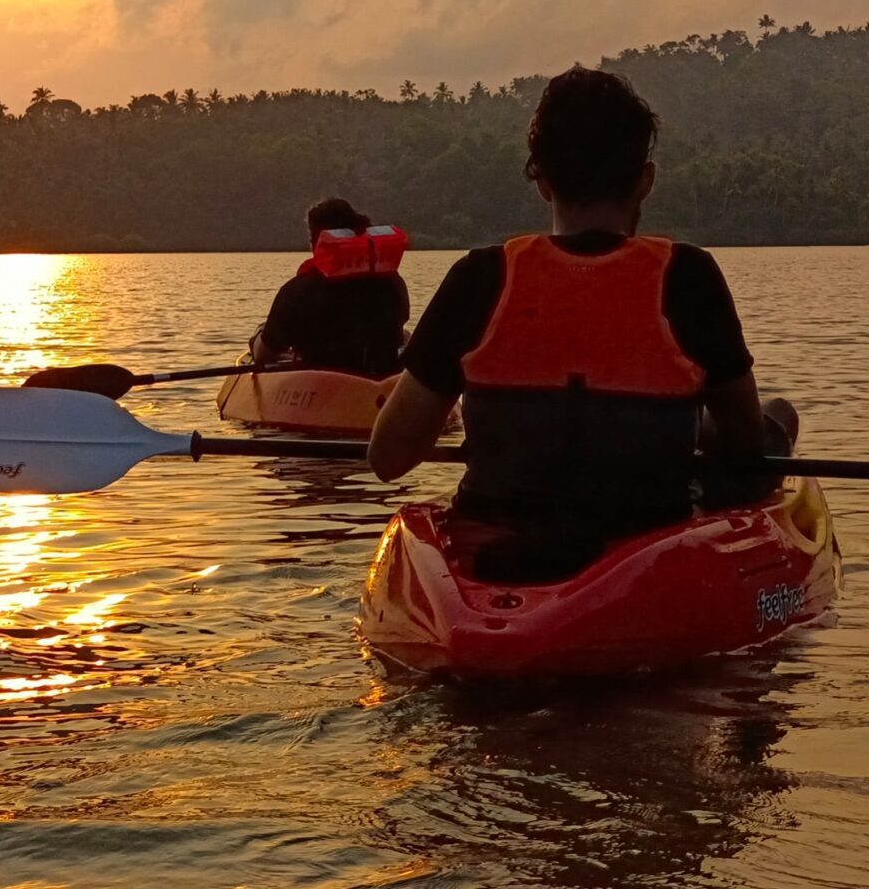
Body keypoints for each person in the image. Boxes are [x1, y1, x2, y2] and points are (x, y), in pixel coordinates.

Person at [368, 66, 793, 573]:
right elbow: (745, 444)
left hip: (496, 548)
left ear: (542, 182)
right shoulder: (688, 275)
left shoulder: (479, 277)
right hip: (646, 545)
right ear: (646, 181)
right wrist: (682, 426)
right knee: (780, 416)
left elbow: (388, 458)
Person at [250, 198, 411, 377]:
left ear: (316, 243)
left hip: (321, 390)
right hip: (383, 384)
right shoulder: (393, 283)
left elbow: (263, 355)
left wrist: (258, 336)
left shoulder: (298, 291)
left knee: (261, 336)